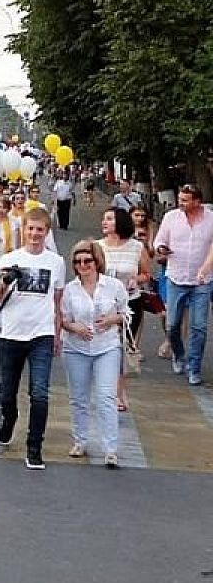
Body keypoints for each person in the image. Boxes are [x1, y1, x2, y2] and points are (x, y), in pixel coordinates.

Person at [0, 207, 66, 470]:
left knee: (40, 392)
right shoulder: (9, 259)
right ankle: (9, 418)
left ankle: (35, 447)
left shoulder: (56, 262)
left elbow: (58, 302)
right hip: (12, 333)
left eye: (40, 230)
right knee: (7, 392)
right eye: (30, 229)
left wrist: (58, 334)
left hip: (41, 334)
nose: (34, 234)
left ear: (47, 232)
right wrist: (4, 284)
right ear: (23, 230)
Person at [60, 240, 128, 469]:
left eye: (87, 260)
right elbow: (63, 319)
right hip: (76, 347)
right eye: (78, 261)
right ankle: (80, 440)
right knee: (79, 398)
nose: (83, 265)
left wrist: (112, 319)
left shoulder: (113, 286)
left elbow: (126, 312)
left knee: (106, 397)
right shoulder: (69, 289)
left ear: (97, 261)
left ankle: (110, 449)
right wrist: (73, 327)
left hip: (106, 346)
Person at [158, 184, 213, 387]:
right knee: (172, 325)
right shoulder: (171, 217)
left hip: (202, 282)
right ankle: (179, 354)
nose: (180, 203)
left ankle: (194, 367)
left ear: (197, 202)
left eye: (185, 200)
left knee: (199, 327)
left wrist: (205, 269)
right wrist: (162, 249)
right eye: (180, 199)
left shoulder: (210, 219)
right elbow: (159, 242)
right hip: (176, 278)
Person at [97, 208, 150, 411]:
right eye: (104, 219)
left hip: (130, 303)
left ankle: (119, 392)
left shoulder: (137, 247)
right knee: (104, 346)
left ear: (120, 222)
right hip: (103, 304)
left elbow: (146, 273)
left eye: (109, 219)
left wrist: (136, 279)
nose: (105, 222)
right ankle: (105, 388)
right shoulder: (97, 246)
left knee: (121, 348)